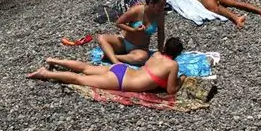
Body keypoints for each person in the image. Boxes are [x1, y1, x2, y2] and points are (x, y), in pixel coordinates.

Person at [28, 37, 185, 95]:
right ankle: (45, 74)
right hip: (121, 81)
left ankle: (54, 60)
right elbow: (171, 90)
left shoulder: (156, 55)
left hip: (122, 69)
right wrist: (181, 80)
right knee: (79, 79)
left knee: (86, 68)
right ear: (177, 53)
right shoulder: (173, 65)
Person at [96, 0, 167, 66]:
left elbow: (161, 33)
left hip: (140, 48)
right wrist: (133, 30)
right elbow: (119, 23)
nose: (162, 8)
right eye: (160, 5)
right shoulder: (137, 10)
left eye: (164, 5)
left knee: (141, 58)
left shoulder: (160, 16)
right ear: (151, 3)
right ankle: (116, 62)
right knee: (101, 38)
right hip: (124, 42)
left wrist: (160, 51)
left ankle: (113, 57)